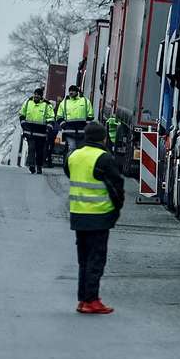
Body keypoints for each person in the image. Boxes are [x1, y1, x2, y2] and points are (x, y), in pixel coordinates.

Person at [68, 121, 125, 314]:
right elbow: (116, 187)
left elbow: (70, 174)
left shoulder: (73, 156)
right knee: (96, 260)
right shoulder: (104, 158)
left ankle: (83, 299)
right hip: (99, 216)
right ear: (103, 137)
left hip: (78, 215)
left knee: (83, 261)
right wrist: (116, 210)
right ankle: (91, 300)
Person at [56, 85, 95, 172]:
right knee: (72, 148)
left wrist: (87, 127)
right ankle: (69, 166)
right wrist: (64, 126)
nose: (71, 93)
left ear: (77, 92)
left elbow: (90, 116)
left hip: (82, 132)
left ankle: (80, 166)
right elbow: (59, 117)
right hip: (69, 132)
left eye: (73, 91)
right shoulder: (64, 103)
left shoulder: (85, 101)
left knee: (81, 150)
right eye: (70, 91)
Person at [19, 87, 54, 174]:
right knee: (31, 148)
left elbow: (51, 118)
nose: (36, 96)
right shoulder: (28, 102)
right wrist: (23, 124)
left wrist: (48, 128)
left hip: (41, 133)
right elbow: (22, 114)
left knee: (40, 151)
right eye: (35, 94)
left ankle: (39, 166)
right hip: (29, 131)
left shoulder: (47, 105)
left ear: (41, 96)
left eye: (38, 95)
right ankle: (31, 165)